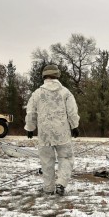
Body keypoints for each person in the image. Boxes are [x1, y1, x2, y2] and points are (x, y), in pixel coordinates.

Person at [25, 64, 80, 196]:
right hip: (62, 133)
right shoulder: (65, 92)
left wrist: (30, 127)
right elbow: (72, 111)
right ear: (57, 75)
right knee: (66, 158)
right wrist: (75, 125)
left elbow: (31, 112)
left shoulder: (37, 93)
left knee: (46, 161)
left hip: (44, 134)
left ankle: (48, 188)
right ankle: (61, 183)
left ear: (44, 76)